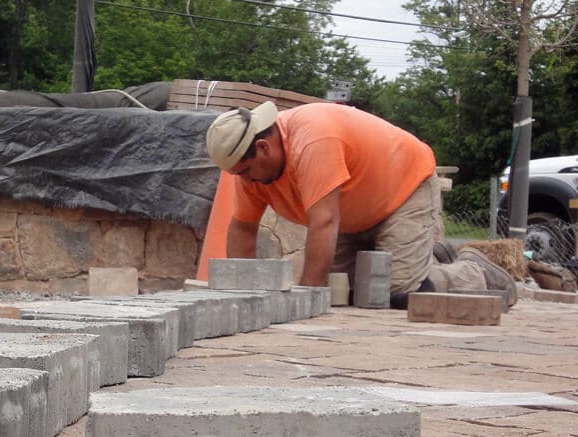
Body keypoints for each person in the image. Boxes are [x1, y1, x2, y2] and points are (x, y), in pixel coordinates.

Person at [205, 101, 516, 306]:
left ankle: (475, 271)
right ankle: (432, 255)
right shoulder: (252, 171)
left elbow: (324, 222)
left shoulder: (312, 141)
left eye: (245, 171)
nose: (244, 181)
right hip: (354, 214)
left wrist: (305, 303)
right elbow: (242, 228)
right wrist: (240, 297)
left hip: (404, 189)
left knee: (394, 292)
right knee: (347, 291)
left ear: (263, 147)